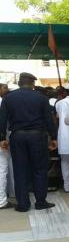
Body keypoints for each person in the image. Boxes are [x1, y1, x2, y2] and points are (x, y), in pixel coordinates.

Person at [0, 72, 57, 212]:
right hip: (37, 137)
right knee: (39, 169)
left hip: (17, 137)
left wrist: (2, 138)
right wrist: (54, 137)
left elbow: (2, 120)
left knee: (20, 170)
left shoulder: (8, 98)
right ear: (32, 84)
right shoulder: (42, 98)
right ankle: (40, 202)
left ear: (19, 83)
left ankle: (23, 204)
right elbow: (49, 120)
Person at [0, 79, 14, 209]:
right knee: (2, 170)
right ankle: (2, 201)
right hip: (1, 141)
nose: (7, 89)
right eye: (4, 87)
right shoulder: (2, 102)